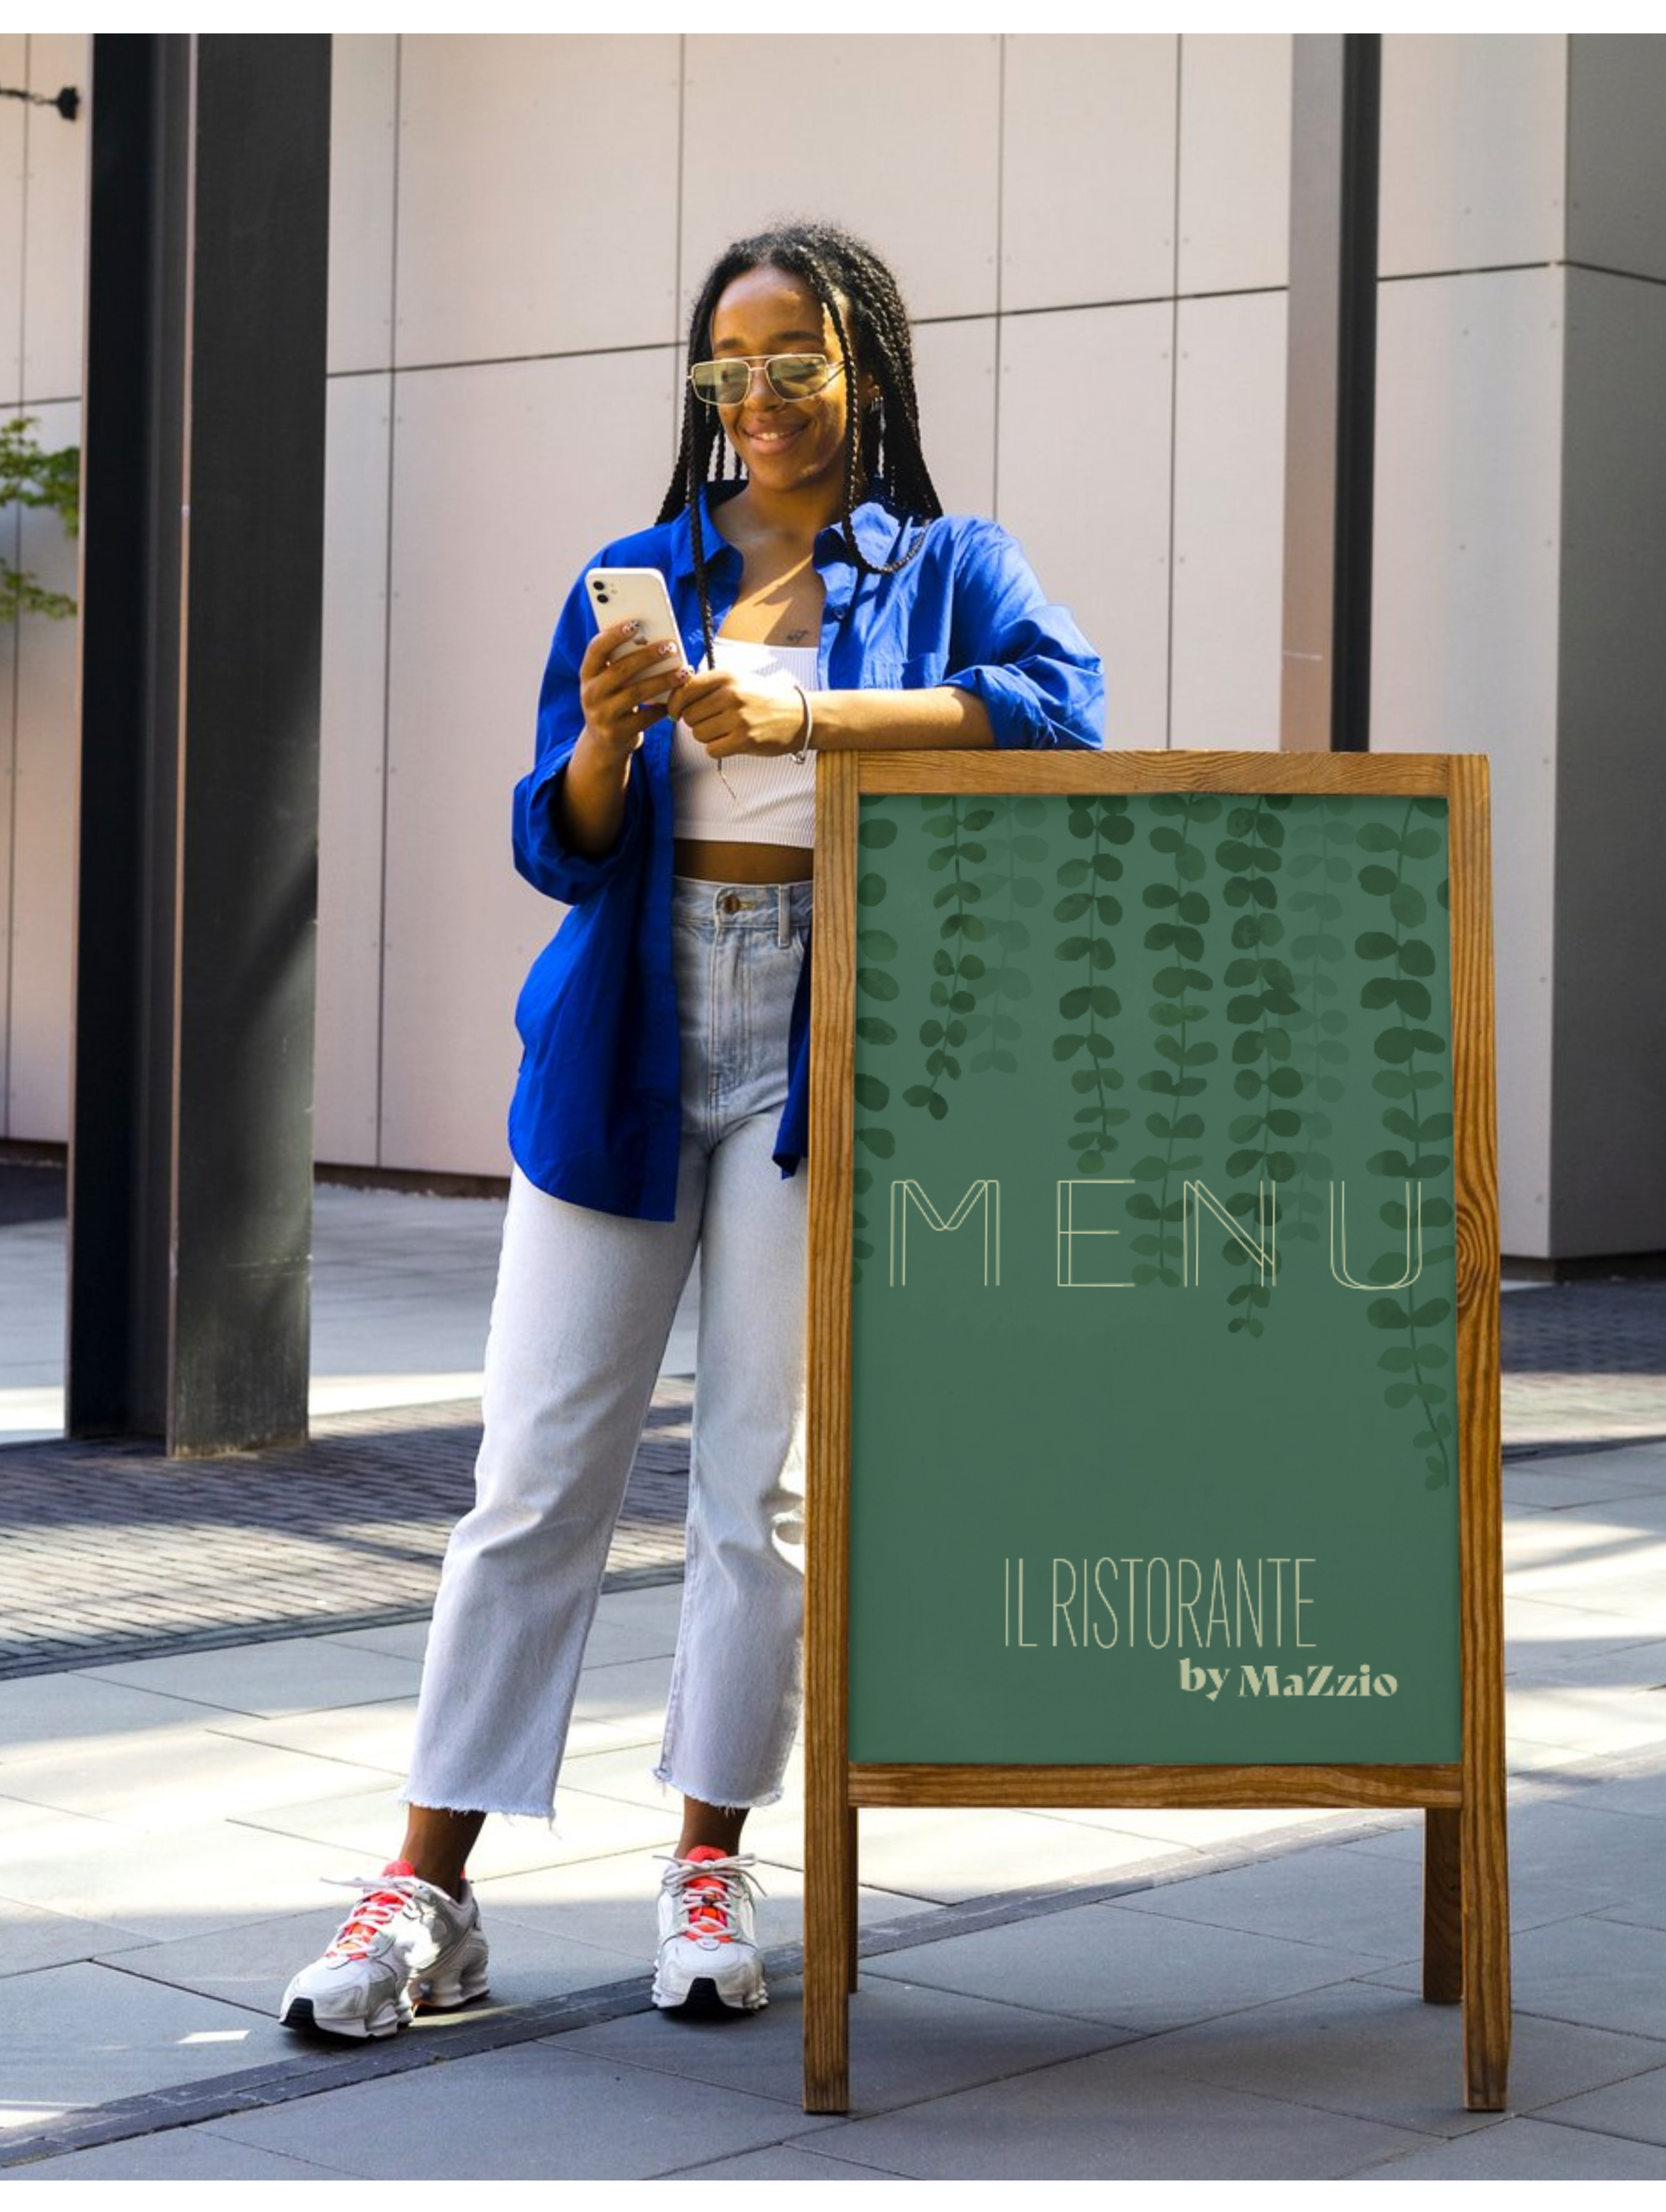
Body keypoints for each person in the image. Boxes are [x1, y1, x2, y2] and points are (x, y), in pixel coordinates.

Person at [279, 220, 1103, 2035]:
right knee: (533, 1474)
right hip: (629, 1035)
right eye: (728, 367)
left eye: (793, 362)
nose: (757, 396)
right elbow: (557, 843)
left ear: (864, 373)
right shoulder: (638, 573)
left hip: (832, 1043)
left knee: (760, 1490)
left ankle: (706, 1856)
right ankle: (427, 1884)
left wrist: (811, 714)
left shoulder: (950, 563)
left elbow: (1061, 717)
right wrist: (598, 741)